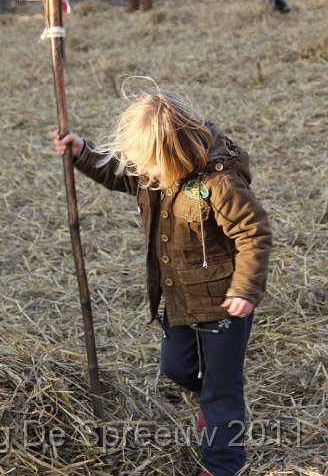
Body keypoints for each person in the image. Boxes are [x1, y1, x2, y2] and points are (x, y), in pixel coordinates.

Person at [53, 90, 272, 476]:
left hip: (223, 305)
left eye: (148, 163)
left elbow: (253, 235)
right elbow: (120, 174)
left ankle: (225, 464)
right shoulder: (155, 172)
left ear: (174, 153)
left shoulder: (220, 184)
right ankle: (214, 408)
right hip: (177, 299)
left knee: (223, 392)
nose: (142, 171)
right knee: (176, 368)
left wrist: (244, 289)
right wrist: (83, 153)